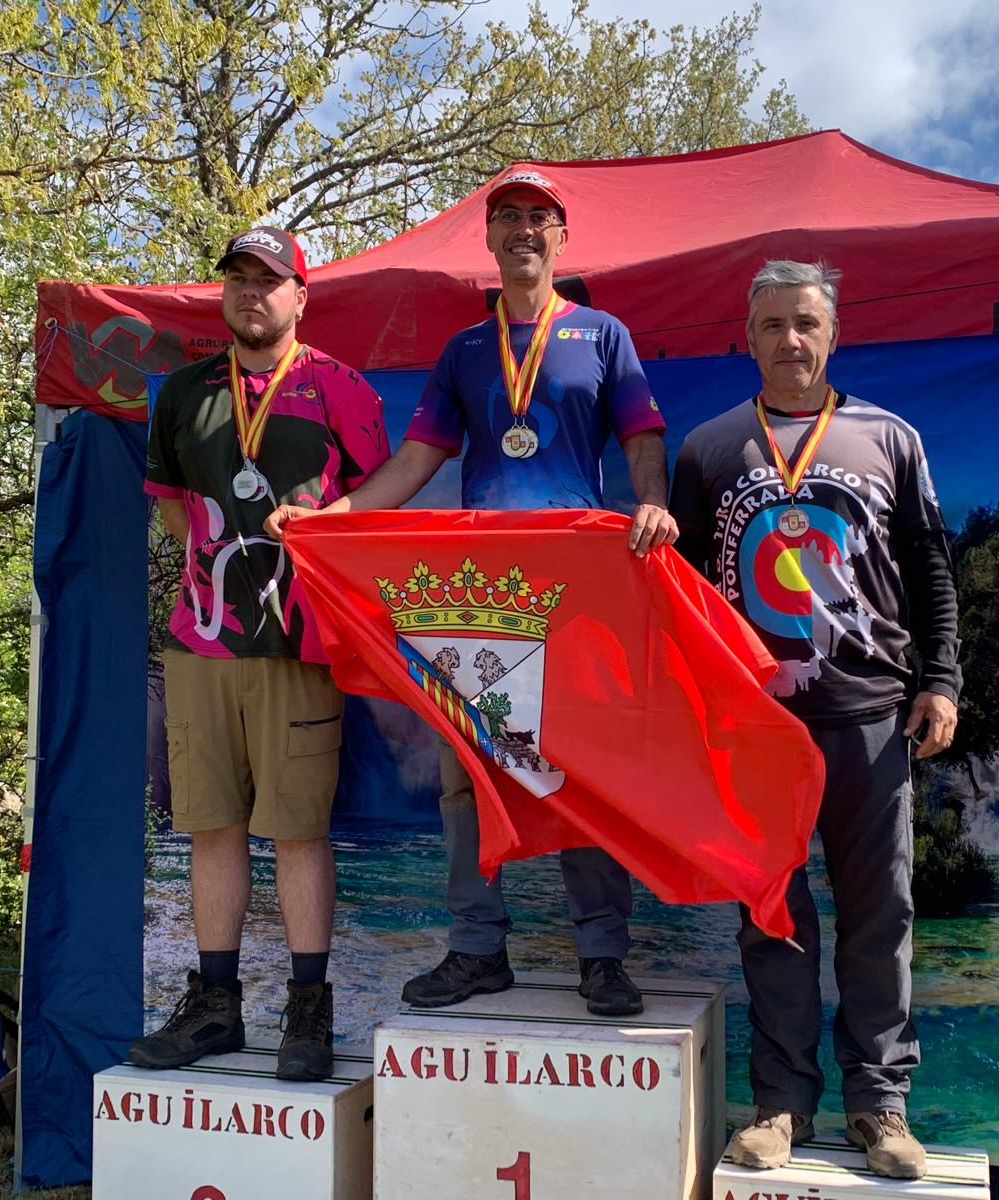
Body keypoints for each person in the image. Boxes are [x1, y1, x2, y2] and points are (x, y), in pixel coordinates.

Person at [265, 166, 676, 1017]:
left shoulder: (603, 336)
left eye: (540, 217)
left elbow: (642, 434)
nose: (524, 230)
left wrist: (653, 503)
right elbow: (416, 464)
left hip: (576, 586)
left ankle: (601, 955)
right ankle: (477, 948)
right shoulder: (462, 352)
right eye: (508, 218)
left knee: (584, 772)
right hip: (481, 593)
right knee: (466, 775)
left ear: (562, 238)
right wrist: (332, 520)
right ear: (488, 239)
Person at [667, 260, 961, 1180]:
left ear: (834, 334)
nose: (790, 341)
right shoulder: (708, 449)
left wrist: (941, 680)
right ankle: (781, 1107)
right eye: (771, 326)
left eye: (806, 323)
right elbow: (677, 595)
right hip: (757, 729)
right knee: (774, 920)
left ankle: (881, 1108)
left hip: (874, 716)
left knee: (882, 915)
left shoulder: (890, 438)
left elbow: (931, 570)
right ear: (745, 337)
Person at [136, 225, 390, 1080]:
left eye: (269, 279)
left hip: (303, 640)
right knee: (211, 825)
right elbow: (170, 501)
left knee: (298, 831)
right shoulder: (181, 393)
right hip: (200, 645)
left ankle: (307, 1014)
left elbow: (377, 499)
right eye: (238, 278)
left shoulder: (341, 387)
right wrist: (214, 574)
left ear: (301, 295)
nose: (252, 292)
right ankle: (215, 1008)